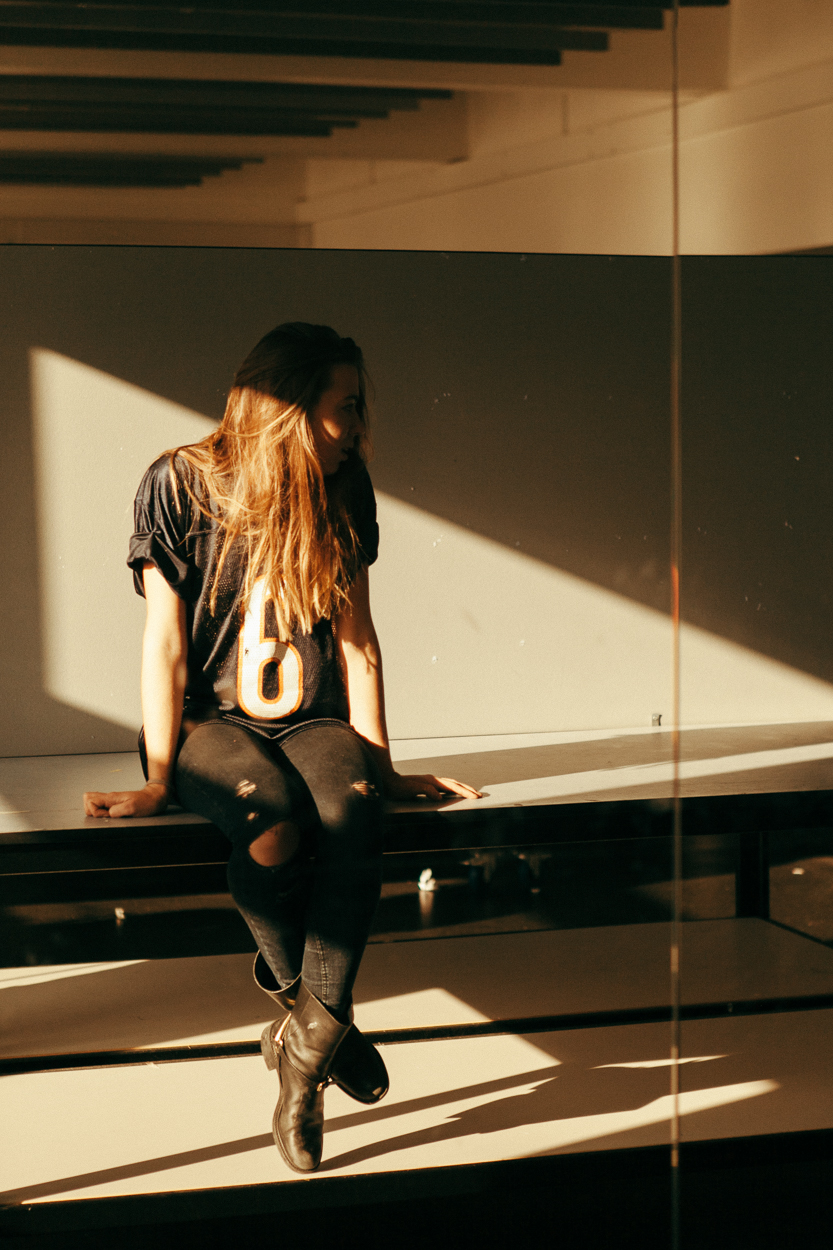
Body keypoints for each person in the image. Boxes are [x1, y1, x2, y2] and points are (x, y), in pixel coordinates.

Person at [83, 322, 481, 1174]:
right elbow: (165, 644)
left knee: (351, 810)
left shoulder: (344, 486)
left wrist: (383, 767)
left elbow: (357, 639)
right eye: (347, 406)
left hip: (312, 722)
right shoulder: (179, 481)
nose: (359, 426)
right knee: (271, 823)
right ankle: (324, 1023)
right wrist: (159, 778)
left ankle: (303, 1060)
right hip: (207, 725)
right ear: (289, 406)